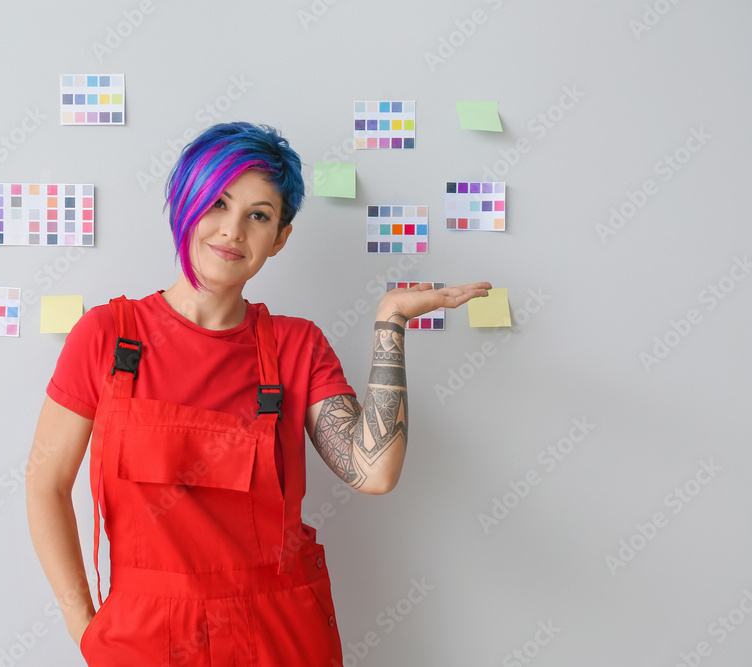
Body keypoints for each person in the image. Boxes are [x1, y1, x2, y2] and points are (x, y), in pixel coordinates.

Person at [26, 121, 490, 666]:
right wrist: (83, 626)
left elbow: (375, 471)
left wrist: (390, 322)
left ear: (281, 237)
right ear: (184, 202)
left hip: (280, 634)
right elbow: (45, 483)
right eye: (218, 203)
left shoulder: (297, 346)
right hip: (145, 637)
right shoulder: (107, 335)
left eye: (259, 215)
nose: (232, 231)